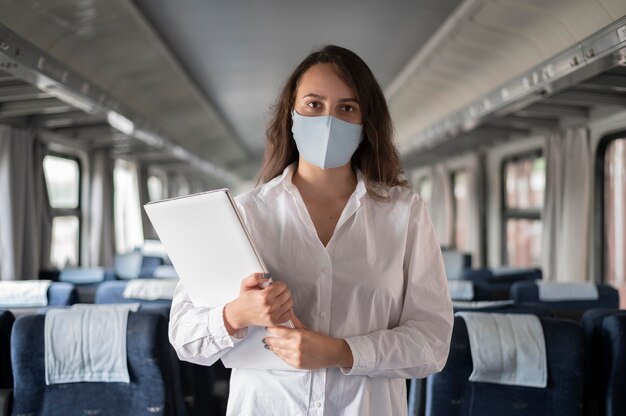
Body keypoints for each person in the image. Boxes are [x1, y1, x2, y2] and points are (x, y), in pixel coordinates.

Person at [169, 44, 453, 415]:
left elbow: (432, 343)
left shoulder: (405, 213)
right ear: (291, 116)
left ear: (366, 123)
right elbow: (184, 338)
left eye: (346, 108)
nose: (329, 120)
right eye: (314, 105)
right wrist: (236, 314)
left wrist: (341, 351)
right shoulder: (243, 214)